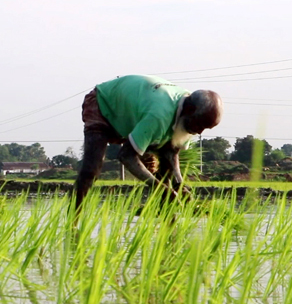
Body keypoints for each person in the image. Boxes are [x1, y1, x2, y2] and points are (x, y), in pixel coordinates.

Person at [75, 75, 223, 210]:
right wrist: (158, 187)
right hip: (103, 103)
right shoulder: (159, 115)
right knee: (91, 170)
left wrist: (179, 184)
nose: (199, 132)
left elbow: (171, 152)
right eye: (199, 125)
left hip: (132, 116)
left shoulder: (189, 114)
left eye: (205, 128)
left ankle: (168, 222)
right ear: (189, 110)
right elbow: (126, 155)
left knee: (166, 175)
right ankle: (73, 220)